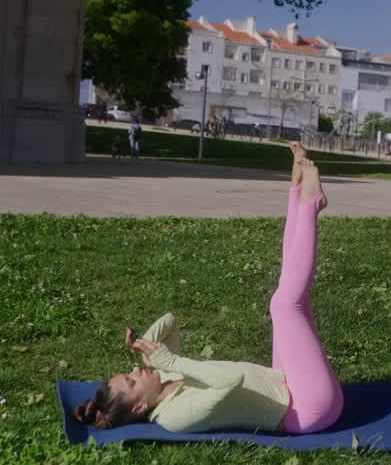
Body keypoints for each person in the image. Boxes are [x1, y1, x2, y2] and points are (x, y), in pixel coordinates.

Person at [72, 148, 344, 436]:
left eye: (128, 373)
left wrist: (144, 342)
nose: (135, 371)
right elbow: (231, 381)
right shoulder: (176, 417)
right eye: (131, 381)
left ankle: (298, 191)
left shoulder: (165, 377)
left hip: (284, 381)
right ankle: (311, 204)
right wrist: (172, 362)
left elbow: (171, 321)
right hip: (305, 408)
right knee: (286, 305)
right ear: (139, 407)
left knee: (289, 299)